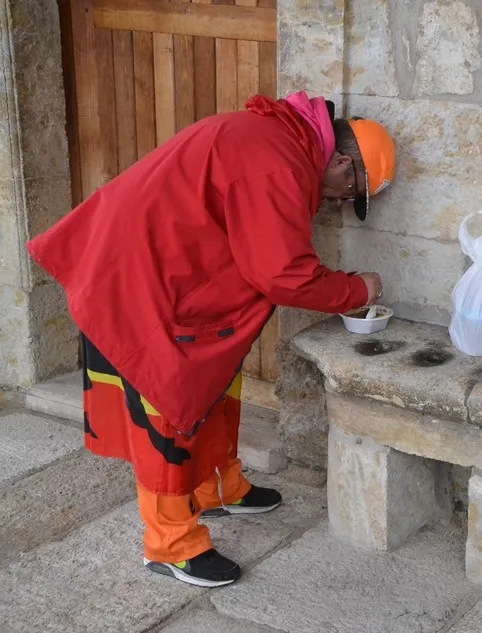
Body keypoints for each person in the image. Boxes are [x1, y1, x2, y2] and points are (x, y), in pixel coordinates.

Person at [26, 91, 396, 588]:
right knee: (168, 407)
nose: (340, 203)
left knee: (215, 385)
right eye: (350, 194)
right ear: (344, 164)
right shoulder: (278, 163)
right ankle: (170, 544)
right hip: (140, 283)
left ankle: (220, 487)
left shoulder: (280, 142)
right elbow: (282, 273)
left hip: (170, 272)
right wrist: (357, 289)